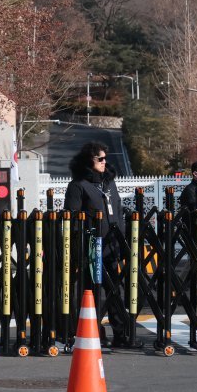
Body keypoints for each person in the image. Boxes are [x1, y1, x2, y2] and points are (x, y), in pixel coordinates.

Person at [64, 141, 131, 347]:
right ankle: (94, 332)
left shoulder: (109, 183)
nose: (104, 162)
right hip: (91, 246)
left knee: (114, 290)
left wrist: (122, 240)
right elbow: (72, 218)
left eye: (105, 158)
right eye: (99, 159)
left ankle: (121, 333)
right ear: (88, 161)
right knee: (90, 290)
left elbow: (118, 211)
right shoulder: (78, 186)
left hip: (112, 245)